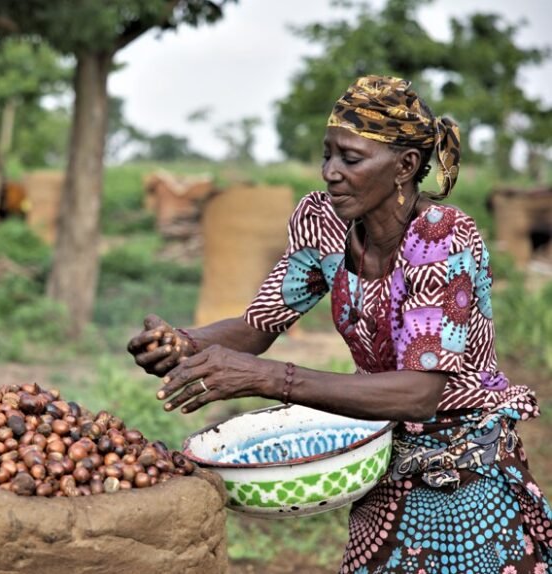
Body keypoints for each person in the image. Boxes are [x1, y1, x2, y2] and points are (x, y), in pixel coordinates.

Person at [128, 75, 552, 573]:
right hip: (380, 462)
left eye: (350, 159)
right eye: (327, 155)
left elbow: (420, 393)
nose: (331, 172)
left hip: (465, 477)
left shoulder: (441, 238)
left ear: (405, 166)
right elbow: (257, 325)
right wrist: (186, 343)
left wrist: (268, 379)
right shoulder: (326, 225)